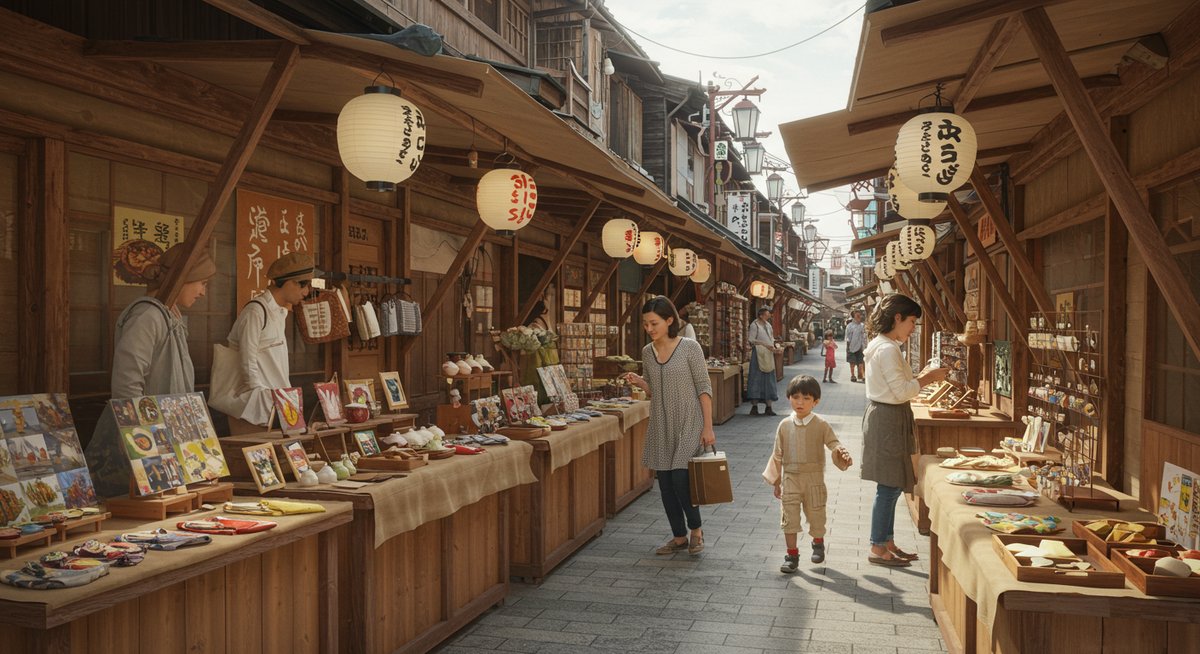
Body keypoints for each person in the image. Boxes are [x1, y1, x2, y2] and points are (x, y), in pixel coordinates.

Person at [85, 244, 217, 497]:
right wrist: (141, 440)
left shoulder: (168, 315)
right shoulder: (148, 315)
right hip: (144, 436)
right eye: (201, 283)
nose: (202, 292)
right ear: (182, 279)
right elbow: (127, 380)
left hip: (162, 432)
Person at [623, 296, 715, 556]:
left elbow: (704, 388)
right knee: (664, 483)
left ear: (669, 321)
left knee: (679, 477)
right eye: (645, 324)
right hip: (661, 423)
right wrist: (641, 382)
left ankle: (696, 530)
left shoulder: (690, 348)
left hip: (689, 420)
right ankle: (678, 537)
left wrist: (708, 428)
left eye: (654, 323)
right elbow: (655, 389)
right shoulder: (646, 352)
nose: (649, 329)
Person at [861, 294, 949, 567]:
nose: (913, 327)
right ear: (897, 318)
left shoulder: (885, 345)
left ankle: (886, 541)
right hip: (888, 417)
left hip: (888, 416)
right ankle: (878, 546)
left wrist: (919, 377)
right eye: (911, 321)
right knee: (889, 485)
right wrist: (927, 378)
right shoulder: (887, 349)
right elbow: (901, 391)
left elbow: (899, 385)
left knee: (894, 483)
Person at [209, 252, 317, 429]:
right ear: (286, 282)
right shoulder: (256, 312)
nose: (306, 292)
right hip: (251, 409)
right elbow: (247, 359)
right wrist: (259, 395)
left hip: (276, 403)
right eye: (302, 285)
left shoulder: (279, 312)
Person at [763, 375, 852, 571]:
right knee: (789, 517)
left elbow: (833, 443)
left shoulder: (821, 424)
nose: (800, 402)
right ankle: (791, 555)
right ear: (789, 398)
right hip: (790, 479)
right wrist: (776, 482)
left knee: (817, 514)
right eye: (795, 397)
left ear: (816, 401)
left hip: (814, 480)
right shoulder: (784, 425)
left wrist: (840, 452)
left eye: (806, 398)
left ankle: (817, 542)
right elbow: (777, 454)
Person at [746, 306, 780, 415]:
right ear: (760, 315)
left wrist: (775, 347)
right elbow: (751, 340)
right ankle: (754, 406)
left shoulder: (768, 325)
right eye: (766, 314)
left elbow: (771, 338)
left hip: (769, 354)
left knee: (769, 379)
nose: (768, 316)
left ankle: (769, 407)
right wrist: (765, 344)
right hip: (758, 354)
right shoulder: (754, 325)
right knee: (756, 378)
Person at [845, 310, 866, 383]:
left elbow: (864, 336)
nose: (859, 317)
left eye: (859, 315)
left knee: (860, 362)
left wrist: (864, 345)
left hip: (860, 346)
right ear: (853, 317)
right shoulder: (850, 326)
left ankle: (861, 375)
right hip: (851, 346)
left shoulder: (862, 325)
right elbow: (848, 337)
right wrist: (849, 345)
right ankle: (852, 375)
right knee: (852, 363)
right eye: (857, 315)